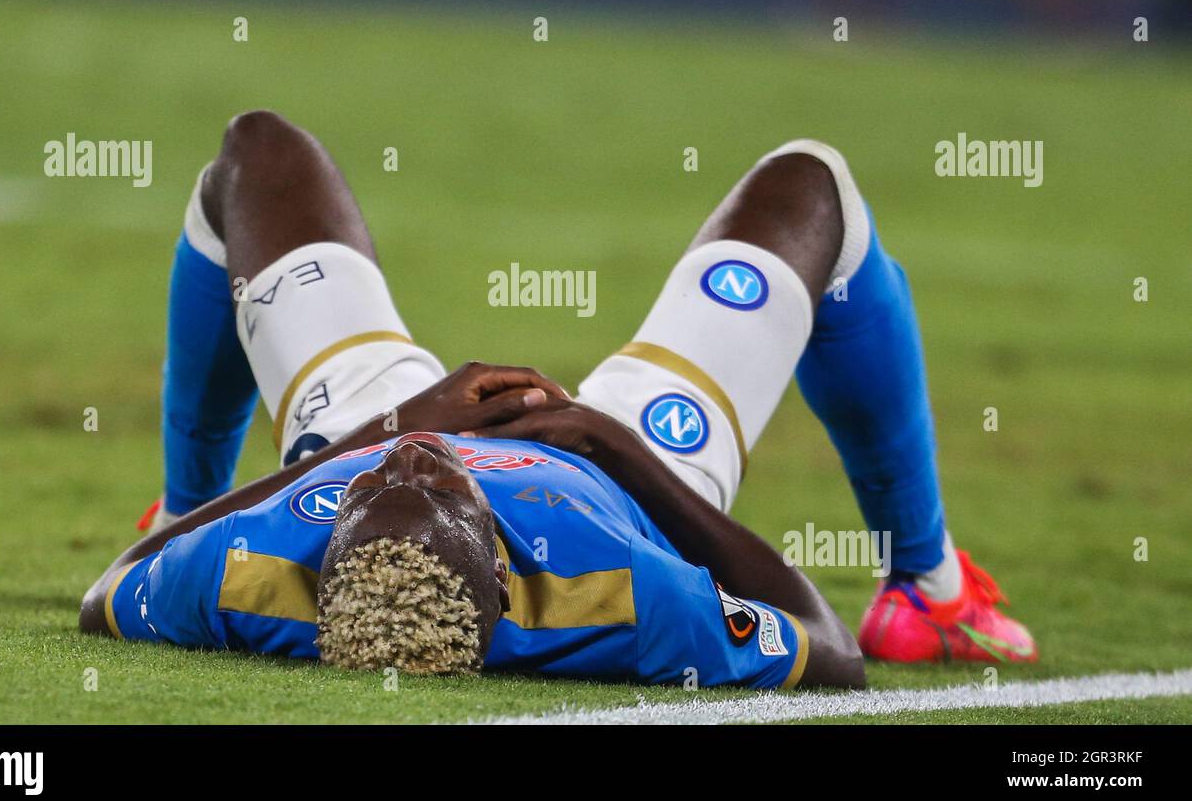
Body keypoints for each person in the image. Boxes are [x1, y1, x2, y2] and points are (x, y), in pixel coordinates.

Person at [80, 110, 1035, 683]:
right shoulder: (613, 592)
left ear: (332, 548)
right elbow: (828, 653)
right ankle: (929, 589)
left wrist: (396, 431)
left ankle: (185, 493)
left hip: (362, 423)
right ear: (502, 572)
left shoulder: (269, 571)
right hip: (622, 467)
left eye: (382, 488)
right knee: (813, 188)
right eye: (447, 491)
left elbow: (114, 587)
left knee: (252, 154)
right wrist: (604, 440)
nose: (420, 470)